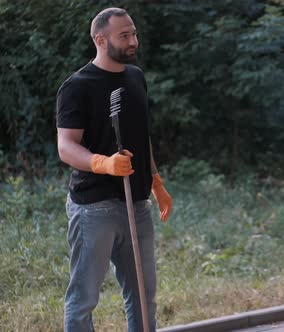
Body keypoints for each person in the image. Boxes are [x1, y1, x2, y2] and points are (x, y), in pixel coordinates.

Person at [56, 7, 172, 331]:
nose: (133, 41)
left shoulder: (135, 77)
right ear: (100, 39)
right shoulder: (76, 86)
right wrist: (101, 163)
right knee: (84, 300)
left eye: (134, 33)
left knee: (143, 296)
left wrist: (155, 181)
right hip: (94, 207)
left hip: (137, 204)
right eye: (125, 35)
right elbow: (66, 146)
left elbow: (141, 134)